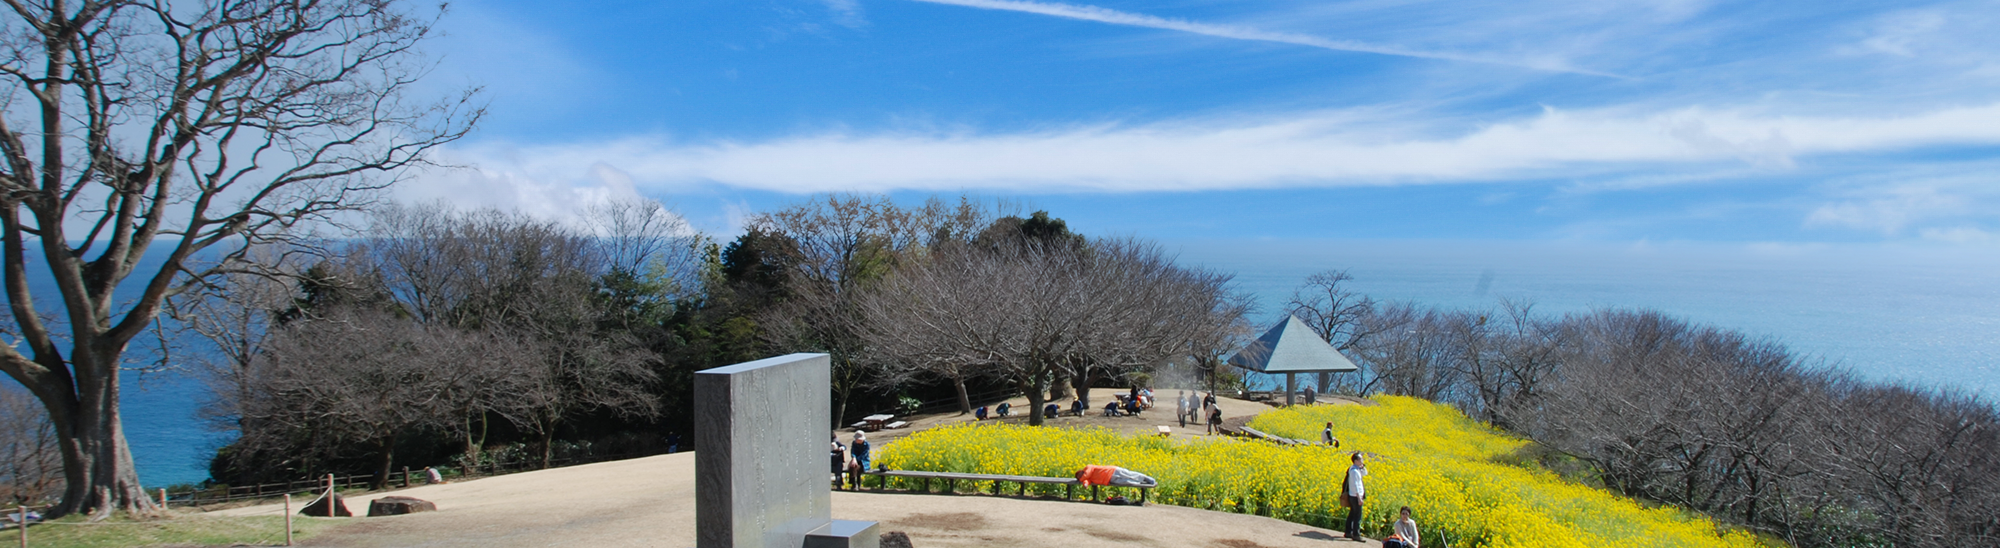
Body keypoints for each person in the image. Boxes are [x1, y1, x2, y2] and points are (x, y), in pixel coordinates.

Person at [1342, 452, 1368, 540]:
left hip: (1354, 496)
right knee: (1357, 516)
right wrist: (1359, 498)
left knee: (1352, 514)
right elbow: (1355, 485)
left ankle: (1348, 532)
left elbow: (1365, 473)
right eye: (1361, 459)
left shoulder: (1356, 469)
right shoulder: (1354, 471)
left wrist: (1363, 466)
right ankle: (1356, 534)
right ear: (1356, 461)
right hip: (1355, 496)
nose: (1362, 460)